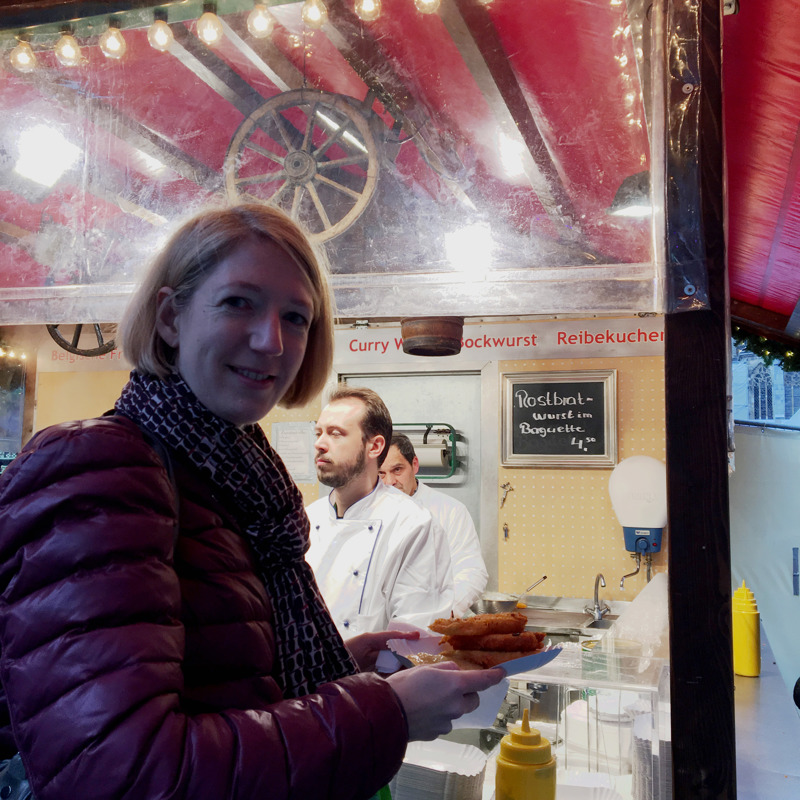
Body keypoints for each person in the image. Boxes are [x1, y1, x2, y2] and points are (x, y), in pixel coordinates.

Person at [0, 204, 504, 800]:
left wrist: (334, 666)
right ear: (169, 317)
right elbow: (122, 774)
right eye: (238, 302)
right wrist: (379, 713)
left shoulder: (237, 481)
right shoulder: (98, 469)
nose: (273, 340)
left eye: (296, 316)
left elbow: (213, 685)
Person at [306, 386, 456, 636]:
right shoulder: (305, 520)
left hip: (375, 675)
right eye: (319, 433)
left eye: (335, 434)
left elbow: (414, 639)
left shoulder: (413, 525)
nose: (320, 444)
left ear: (374, 446)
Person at [379, 433, 488, 616]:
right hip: (381, 624)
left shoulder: (450, 510)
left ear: (414, 465)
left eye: (397, 470)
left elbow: (472, 571)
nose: (389, 482)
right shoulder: (367, 513)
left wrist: (447, 612)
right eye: (380, 473)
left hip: (435, 623)